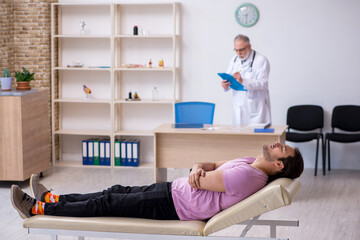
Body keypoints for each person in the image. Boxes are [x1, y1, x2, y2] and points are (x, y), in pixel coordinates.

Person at [11, 141, 303, 221]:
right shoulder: (250, 163)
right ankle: (53, 198)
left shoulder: (247, 177)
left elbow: (200, 180)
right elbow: (207, 167)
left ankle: (38, 209)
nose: (277, 143)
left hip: (174, 206)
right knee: (113, 191)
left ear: (279, 164)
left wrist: (197, 172)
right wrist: (197, 168)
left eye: (282, 148)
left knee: (108, 202)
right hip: (173, 191)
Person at [222, 34, 271, 126]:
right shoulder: (234, 60)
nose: (238, 53)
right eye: (236, 50)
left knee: (257, 139)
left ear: (249, 46)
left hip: (256, 110)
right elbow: (229, 78)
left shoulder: (261, 60)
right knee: (239, 138)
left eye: (241, 50)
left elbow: (263, 83)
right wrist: (226, 85)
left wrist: (243, 81)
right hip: (239, 107)